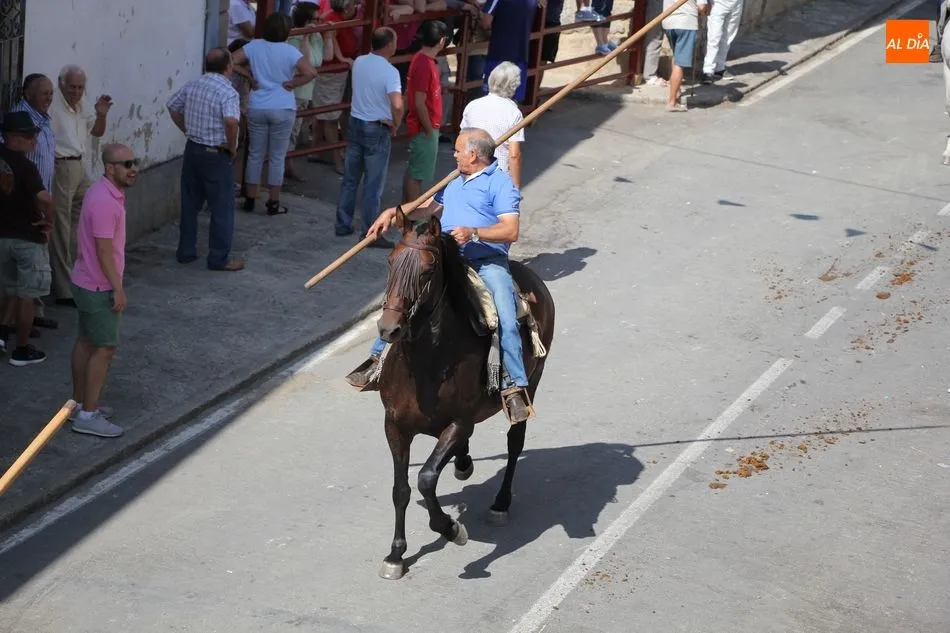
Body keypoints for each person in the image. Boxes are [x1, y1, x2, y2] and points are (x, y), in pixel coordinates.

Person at [345, 128, 534, 423]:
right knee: (404, 292)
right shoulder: (455, 179)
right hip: (447, 258)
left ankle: (513, 387)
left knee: (506, 318)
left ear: (473, 154)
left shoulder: (501, 185)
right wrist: (392, 214)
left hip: (486, 262)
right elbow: (428, 209)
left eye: (458, 150)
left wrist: (474, 233)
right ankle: (377, 360)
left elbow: (511, 230)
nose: (454, 154)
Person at [68, 144, 137, 438]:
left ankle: (81, 404)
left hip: (87, 281)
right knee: (105, 348)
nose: (133, 168)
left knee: (86, 342)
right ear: (110, 168)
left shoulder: (101, 192)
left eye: (135, 162)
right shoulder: (105, 202)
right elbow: (104, 251)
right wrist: (118, 289)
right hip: (99, 285)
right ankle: (88, 414)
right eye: (126, 164)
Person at [166, 47, 245, 271]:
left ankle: (186, 251)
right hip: (215, 152)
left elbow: (172, 106)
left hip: (193, 148)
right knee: (221, 207)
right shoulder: (227, 92)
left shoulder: (194, 84)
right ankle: (219, 258)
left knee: (190, 203)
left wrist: (186, 129)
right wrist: (231, 146)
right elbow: (231, 122)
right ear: (228, 67)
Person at [233, 12, 318, 215]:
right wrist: (293, 83)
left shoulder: (254, 46)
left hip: (257, 104)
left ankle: (250, 199)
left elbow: (232, 60)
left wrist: (249, 76)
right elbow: (311, 72)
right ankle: (273, 202)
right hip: (283, 105)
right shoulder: (290, 51)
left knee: (255, 154)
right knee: (277, 157)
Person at [49, 64, 113, 306]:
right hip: (62, 166)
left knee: (84, 222)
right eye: (72, 86)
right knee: (61, 229)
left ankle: (80, 277)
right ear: (61, 84)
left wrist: (102, 114)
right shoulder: (54, 106)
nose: (76, 91)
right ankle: (64, 289)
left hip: (79, 166)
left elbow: (96, 132)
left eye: (80, 87)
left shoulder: (80, 104)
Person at [334, 27, 403, 244]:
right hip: (376, 127)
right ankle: (371, 232)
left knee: (350, 179)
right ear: (389, 45)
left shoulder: (359, 61)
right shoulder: (390, 72)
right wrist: (396, 123)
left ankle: (342, 223)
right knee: (373, 184)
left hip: (356, 123)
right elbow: (398, 104)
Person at [0, 111, 54, 366]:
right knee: (27, 295)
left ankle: (1, 334)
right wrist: (50, 219)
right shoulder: (25, 166)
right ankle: (21, 349)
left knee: (11, 288)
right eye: (29, 135)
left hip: (3, 236)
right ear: (13, 138)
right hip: (26, 237)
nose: (34, 139)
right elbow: (44, 198)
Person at [403, 20, 448, 207]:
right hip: (424, 128)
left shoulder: (422, 60)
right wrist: (429, 130)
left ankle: (407, 212)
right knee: (416, 176)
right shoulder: (424, 63)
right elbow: (419, 102)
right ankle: (412, 217)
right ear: (442, 41)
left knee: (414, 172)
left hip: (423, 126)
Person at [460, 61, 525, 187]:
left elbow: (461, 143)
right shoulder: (513, 112)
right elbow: (514, 155)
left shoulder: (472, 106)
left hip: (470, 173)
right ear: (514, 85)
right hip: (498, 177)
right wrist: (515, 188)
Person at [662, 0, 709, 113]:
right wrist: (705, 10)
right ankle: (672, 102)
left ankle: (676, 93)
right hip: (686, 23)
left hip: (668, 21)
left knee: (676, 56)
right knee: (680, 63)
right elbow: (702, 7)